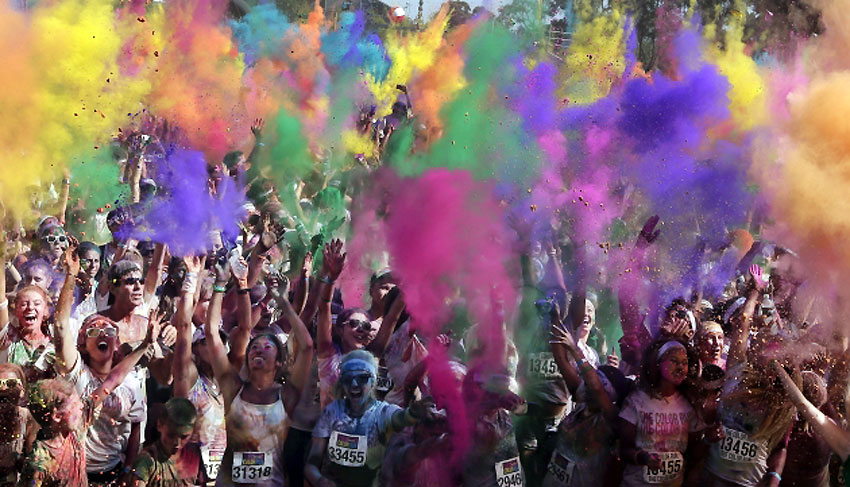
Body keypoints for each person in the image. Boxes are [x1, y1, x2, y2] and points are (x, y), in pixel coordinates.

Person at [204, 254, 313, 487]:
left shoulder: (287, 396)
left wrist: (283, 302)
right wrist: (220, 284)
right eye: (254, 347)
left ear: (279, 362)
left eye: (267, 347)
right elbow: (212, 334)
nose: (258, 351)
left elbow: (307, 347)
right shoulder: (233, 389)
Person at [21, 317, 158, 487]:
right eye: (75, 403)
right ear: (56, 416)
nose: (81, 404)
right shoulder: (39, 461)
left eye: (109, 331)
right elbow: (61, 326)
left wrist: (144, 344)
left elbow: (114, 379)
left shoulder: (77, 429)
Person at [54, 245, 148, 485]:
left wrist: (128, 469)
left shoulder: (132, 379)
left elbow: (136, 424)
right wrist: (71, 276)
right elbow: (62, 325)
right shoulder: (77, 375)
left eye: (109, 330)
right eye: (95, 330)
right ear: (84, 344)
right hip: (75, 473)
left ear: (117, 343)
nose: (104, 333)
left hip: (114, 473)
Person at [305, 350, 437, 487]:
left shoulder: (382, 412)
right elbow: (311, 464)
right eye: (348, 379)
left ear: (373, 380)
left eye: (362, 378)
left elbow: (399, 418)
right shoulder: (331, 412)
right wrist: (319, 480)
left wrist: (412, 413)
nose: (354, 384)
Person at [544, 317, 632, 487]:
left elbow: (595, 387)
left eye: (602, 383)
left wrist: (575, 349)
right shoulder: (583, 400)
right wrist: (555, 316)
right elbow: (561, 360)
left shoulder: (610, 418)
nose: (590, 387)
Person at [618, 339, 705, 487]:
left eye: (684, 363)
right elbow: (623, 450)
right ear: (658, 364)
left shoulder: (689, 405)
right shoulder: (636, 401)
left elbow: (695, 450)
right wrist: (644, 458)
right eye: (674, 361)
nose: (680, 367)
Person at [128, 397, 200, 487]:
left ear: (193, 431)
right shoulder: (147, 461)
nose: (177, 443)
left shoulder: (194, 455)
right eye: (171, 435)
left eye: (184, 437)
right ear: (159, 425)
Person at [0, 363, 37, 487]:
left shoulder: (27, 418)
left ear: (22, 390)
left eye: (10, 384)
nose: (4, 390)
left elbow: (31, 466)